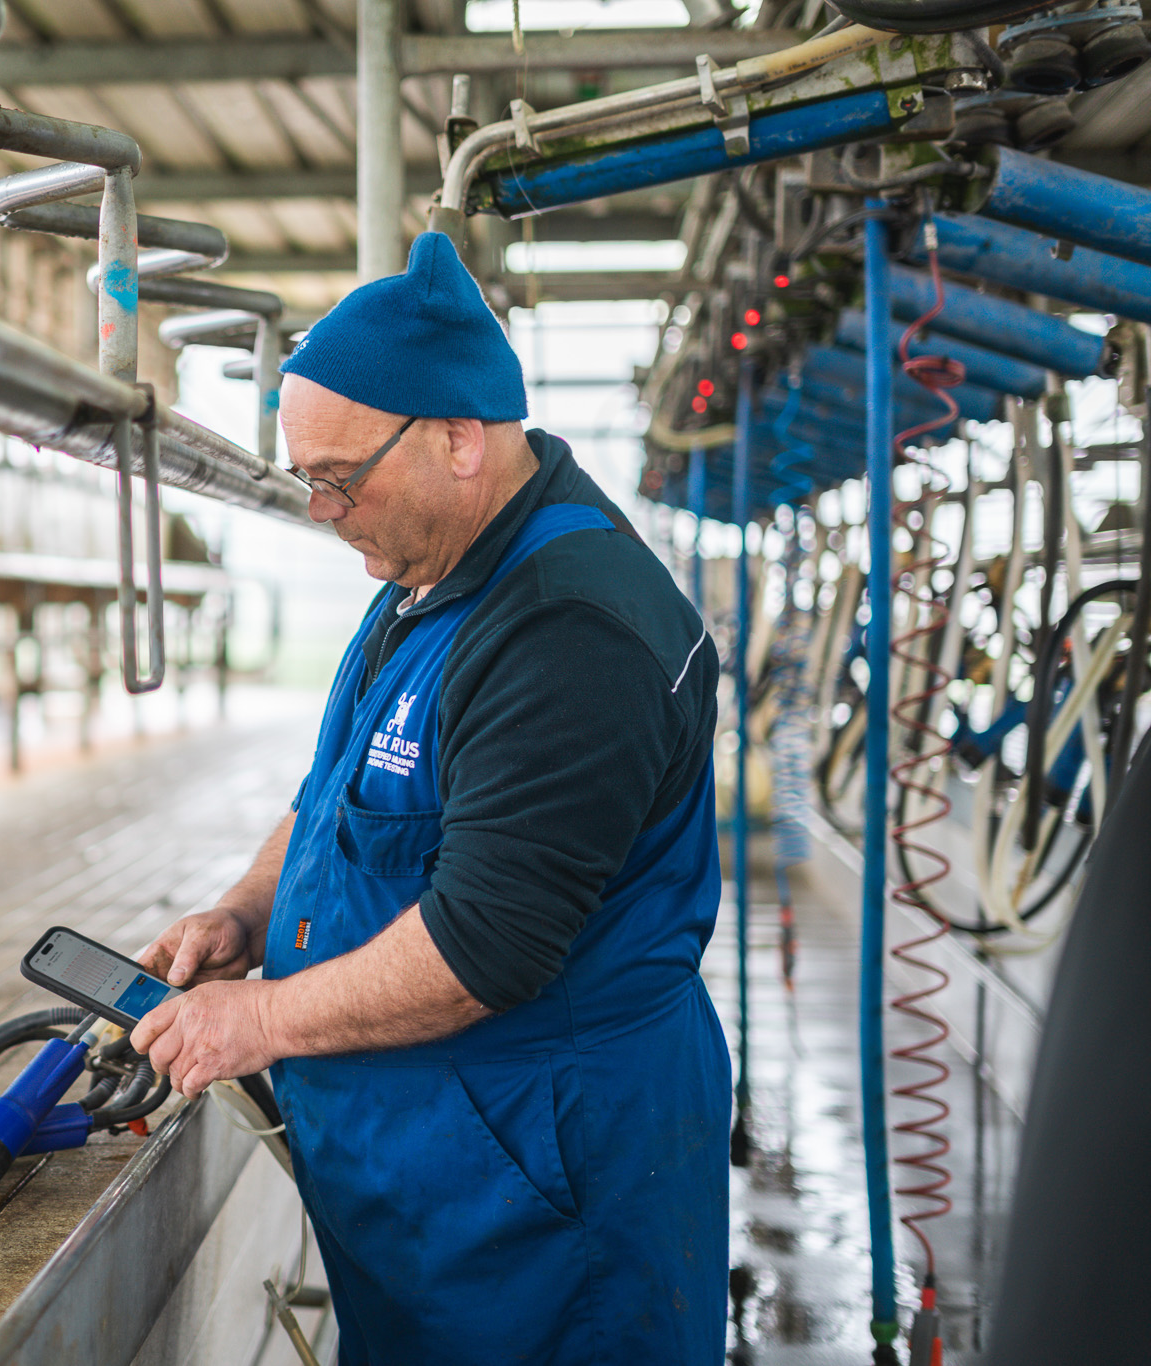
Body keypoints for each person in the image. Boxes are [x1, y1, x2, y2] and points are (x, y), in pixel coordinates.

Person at [129, 233, 728, 1365]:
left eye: (337, 478)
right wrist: (244, 916)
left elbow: (484, 949)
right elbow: (334, 796)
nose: (319, 509)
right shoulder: (427, 573)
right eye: (308, 479)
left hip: (543, 1194)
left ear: (457, 438)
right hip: (439, 1176)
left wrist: (252, 1019)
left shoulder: (565, 629)